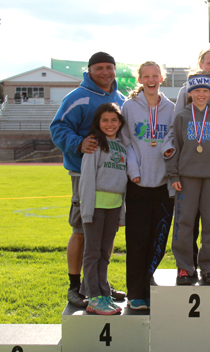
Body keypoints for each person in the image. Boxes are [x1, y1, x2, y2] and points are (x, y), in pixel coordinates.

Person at [50, 52, 127, 308]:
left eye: (109, 67)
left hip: (112, 179)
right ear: (90, 70)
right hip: (84, 175)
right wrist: (79, 143)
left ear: (115, 69)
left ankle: (97, 283)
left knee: (107, 234)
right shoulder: (77, 97)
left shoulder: (120, 99)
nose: (105, 72)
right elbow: (58, 128)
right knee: (82, 231)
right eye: (99, 68)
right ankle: (75, 286)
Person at [167, 72, 210, 285]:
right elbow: (174, 147)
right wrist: (173, 174)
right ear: (190, 93)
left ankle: (209, 267)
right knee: (184, 224)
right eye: (197, 91)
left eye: (205, 90)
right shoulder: (182, 116)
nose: (201, 94)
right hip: (186, 179)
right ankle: (185, 267)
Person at [120, 61, 175, 310]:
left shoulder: (171, 108)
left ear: (161, 78)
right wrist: (133, 171)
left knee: (158, 239)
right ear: (140, 79)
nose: (151, 80)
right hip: (138, 183)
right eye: (146, 76)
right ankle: (135, 291)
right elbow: (126, 142)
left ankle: (148, 282)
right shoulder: (129, 107)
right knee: (137, 239)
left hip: (163, 185)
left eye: (155, 75)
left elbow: (173, 140)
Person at [78, 103, 127, 315]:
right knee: (92, 252)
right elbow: (87, 178)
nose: (110, 124)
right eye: (105, 120)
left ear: (120, 123)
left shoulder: (122, 145)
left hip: (113, 207)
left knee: (105, 253)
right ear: (98, 122)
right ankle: (93, 297)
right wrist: (87, 210)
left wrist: (121, 213)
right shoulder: (94, 145)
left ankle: (103, 291)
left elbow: (122, 182)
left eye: (114, 120)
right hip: (96, 206)